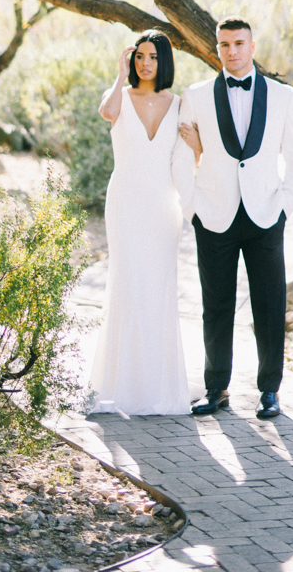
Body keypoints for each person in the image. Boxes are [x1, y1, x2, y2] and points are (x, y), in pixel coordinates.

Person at [172, 17, 293, 420]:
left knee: (269, 305)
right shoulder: (195, 95)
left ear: (253, 45)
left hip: (266, 214)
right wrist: (192, 206)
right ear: (217, 49)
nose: (232, 51)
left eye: (239, 43)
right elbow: (182, 156)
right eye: (224, 45)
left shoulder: (283, 97)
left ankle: (269, 390)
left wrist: (285, 205)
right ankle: (216, 387)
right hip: (213, 215)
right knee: (216, 306)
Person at [88, 29, 202, 415]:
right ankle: (121, 383)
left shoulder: (180, 103)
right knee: (127, 283)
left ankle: (158, 382)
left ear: (163, 61)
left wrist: (199, 152)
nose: (145, 63)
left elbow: (185, 160)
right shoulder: (121, 97)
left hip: (162, 207)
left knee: (158, 288)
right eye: (140, 56)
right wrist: (120, 74)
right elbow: (107, 112)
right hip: (125, 203)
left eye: (152, 57)